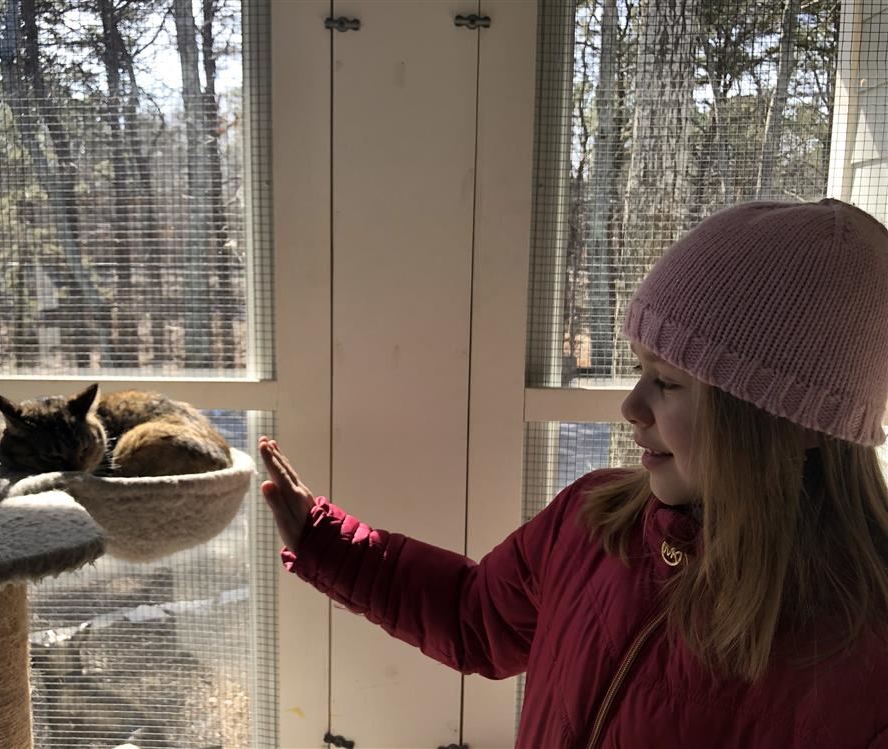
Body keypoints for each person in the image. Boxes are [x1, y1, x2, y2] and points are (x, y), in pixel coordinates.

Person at [258, 198, 888, 748]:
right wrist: (328, 542)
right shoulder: (595, 520)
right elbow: (474, 616)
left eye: (668, 382)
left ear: (791, 422)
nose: (631, 406)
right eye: (640, 369)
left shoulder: (861, 655)